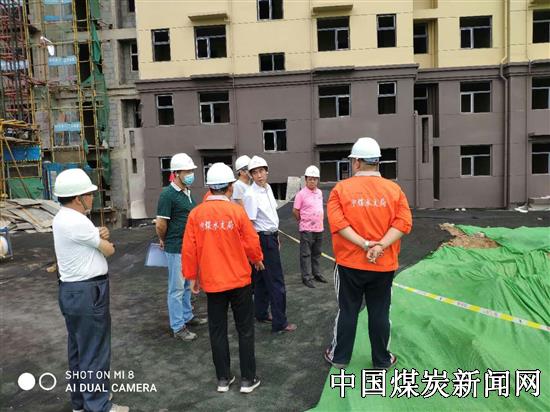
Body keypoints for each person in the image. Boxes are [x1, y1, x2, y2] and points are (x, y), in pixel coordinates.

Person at [324, 137, 412, 370]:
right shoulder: (394, 190)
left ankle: (340, 357)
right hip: (383, 264)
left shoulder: (341, 189)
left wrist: (364, 244)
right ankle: (381, 360)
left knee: (348, 310)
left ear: (356, 162)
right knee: (380, 312)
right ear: (377, 162)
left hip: (349, 264)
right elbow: (403, 223)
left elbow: (338, 224)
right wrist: (380, 246)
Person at [183, 163, 264, 394]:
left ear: (210, 187)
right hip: (239, 281)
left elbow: (189, 249)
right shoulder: (236, 212)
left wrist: (191, 277)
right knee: (245, 330)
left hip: (213, 282)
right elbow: (251, 241)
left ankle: (223, 378)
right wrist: (257, 259)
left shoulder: (196, 214)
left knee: (217, 331)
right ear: (230, 187)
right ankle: (247, 379)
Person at [52, 168, 129, 412]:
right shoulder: (78, 221)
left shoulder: (61, 218)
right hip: (89, 292)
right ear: (78, 198)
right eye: (89, 194)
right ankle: (99, 405)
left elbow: (90, 239)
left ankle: (81, 403)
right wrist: (103, 239)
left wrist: (98, 234)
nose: (92, 197)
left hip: (71, 291)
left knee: (78, 350)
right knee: (95, 351)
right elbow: (109, 249)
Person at [155, 153, 207, 342]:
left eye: (192, 171)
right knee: (176, 288)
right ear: (176, 173)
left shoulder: (187, 192)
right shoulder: (167, 195)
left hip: (188, 247)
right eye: (187, 172)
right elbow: (161, 224)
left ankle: (187, 316)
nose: (191, 174)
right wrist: (163, 239)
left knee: (186, 285)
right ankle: (178, 326)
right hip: (176, 247)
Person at [242, 156, 297, 333]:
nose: (259, 175)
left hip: (270, 236)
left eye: (261, 171)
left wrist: (276, 235)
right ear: (251, 175)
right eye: (255, 172)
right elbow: (250, 225)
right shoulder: (250, 195)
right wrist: (255, 249)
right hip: (261, 239)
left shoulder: (268, 188)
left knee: (261, 279)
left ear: (267, 171)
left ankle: (261, 313)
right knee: (276, 281)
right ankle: (280, 322)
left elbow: (271, 215)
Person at [293, 165, 326, 288]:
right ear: (306, 179)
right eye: (310, 179)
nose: (312, 181)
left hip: (319, 228)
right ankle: (306, 277)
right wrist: (303, 221)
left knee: (317, 253)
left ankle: (316, 273)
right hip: (306, 229)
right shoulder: (301, 194)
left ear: (317, 180)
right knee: (306, 254)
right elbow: (295, 210)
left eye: (315, 179)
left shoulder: (319, 192)